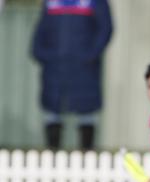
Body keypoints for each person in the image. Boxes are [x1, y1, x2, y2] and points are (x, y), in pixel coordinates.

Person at [31, 0, 113, 150]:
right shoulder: (51, 2)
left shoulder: (95, 2)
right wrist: (40, 53)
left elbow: (105, 29)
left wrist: (89, 55)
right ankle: (53, 157)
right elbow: (41, 29)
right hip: (55, 67)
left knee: (87, 112)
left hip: (84, 69)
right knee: (52, 111)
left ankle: (86, 158)